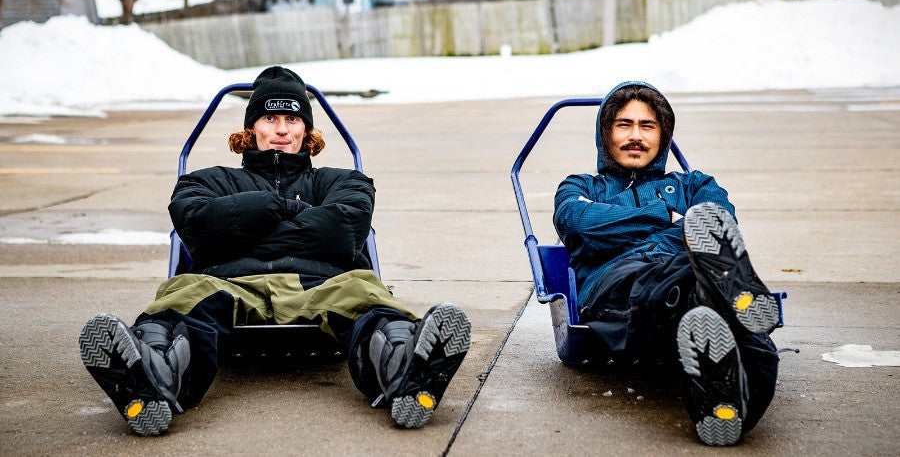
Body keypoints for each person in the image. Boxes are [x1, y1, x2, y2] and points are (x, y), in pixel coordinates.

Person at [78, 66, 471, 436]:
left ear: (307, 130)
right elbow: (196, 227)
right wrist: (283, 207)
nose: (282, 130)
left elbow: (342, 233)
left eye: (293, 119)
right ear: (251, 129)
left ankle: (408, 371)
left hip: (321, 282)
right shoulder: (207, 180)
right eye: (270, 119)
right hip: (228, 284)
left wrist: (243, 228)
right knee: (182, 301)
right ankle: (149, 377)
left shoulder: (345, 181)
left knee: (367, 297)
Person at [552, 81, 780, 446]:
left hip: (692, 277)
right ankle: (729, 300)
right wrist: (665, 218)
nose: (635, 136)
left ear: (664, 136)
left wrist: (621, 228)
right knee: (694, 274)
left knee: (744, 332)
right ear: (605, 133)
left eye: (648, 126)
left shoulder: (695, 183)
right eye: (624, 125)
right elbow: (575, 220)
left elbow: (719, 219)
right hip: (615, 285)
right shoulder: (581, 185)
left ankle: (725, 405)